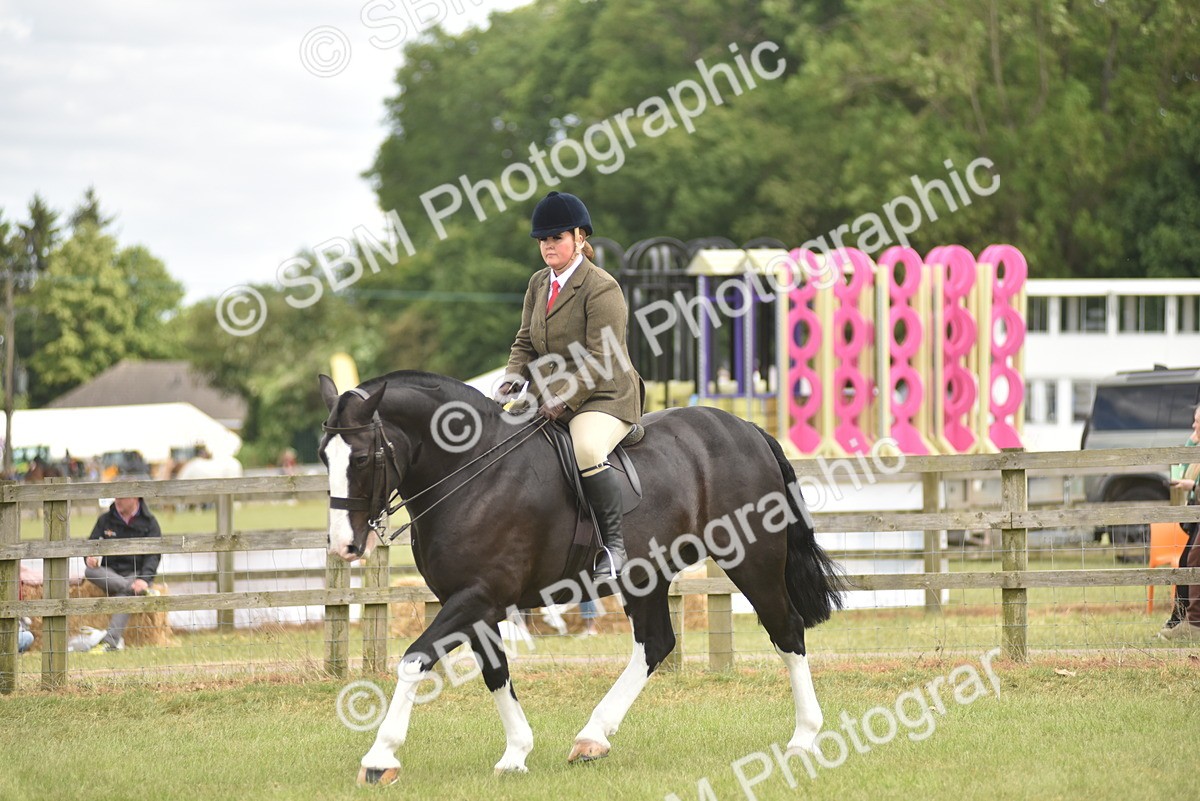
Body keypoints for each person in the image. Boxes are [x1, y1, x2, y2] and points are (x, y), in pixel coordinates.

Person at [495, 191, 644, 580]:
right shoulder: (538, 284)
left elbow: (603, 356)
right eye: (543, 239)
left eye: (556, 237)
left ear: (579, 237)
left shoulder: (601, 287)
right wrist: (510, 382)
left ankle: (614, 548)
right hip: (551, 394)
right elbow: (525, 341)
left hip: (605, 395)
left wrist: (565, 399)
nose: (548, 245)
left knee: (588, 448)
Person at [82, 497, 162, 651]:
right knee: (89, 571)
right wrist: (89, 558)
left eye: (122, 497)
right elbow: (91, 545)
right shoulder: (104, 520)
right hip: (108, 574)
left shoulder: (150, 522)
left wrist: (144, 579)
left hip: (136, 573)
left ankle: (110, 642)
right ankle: (136, 589)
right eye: (116, 497)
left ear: (135, 498)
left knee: (125, 594)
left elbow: (153, 556)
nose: (117, 501)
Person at [1158, 403, 1200, 640]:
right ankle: (1180, 619)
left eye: (1197, 421)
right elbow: (1182, 469)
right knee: (1187, 560)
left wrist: (1193, 486)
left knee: (1192, 559)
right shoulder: (1196, 448)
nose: (1193, 425)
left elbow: (1190, 481)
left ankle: (1190, 622)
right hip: (1196, 513)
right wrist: (1192, 443)